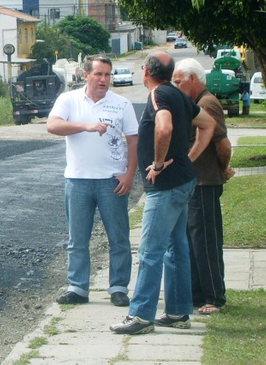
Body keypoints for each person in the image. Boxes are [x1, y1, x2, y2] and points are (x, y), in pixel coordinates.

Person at [110, 51, 215, 335]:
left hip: (166, 187)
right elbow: (208, 124)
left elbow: (164, 127)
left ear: (145, 71)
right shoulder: (178, 93)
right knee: (176, 248)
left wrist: (158, 164)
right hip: (183, 181)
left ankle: (141, 316)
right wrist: (187, 159)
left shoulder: (159, 95)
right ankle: (178, 313)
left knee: (150, 251)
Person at [47, 55, 139, 308]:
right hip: (78, 180)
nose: (103, 79)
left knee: (118, 238)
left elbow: (133, 140)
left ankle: (118, 288)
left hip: (111, 181)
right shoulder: (69, 100)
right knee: (77, 239)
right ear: (85, 75)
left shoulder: (121, 104)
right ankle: (77, 287)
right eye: (98, 74)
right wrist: (86, 127)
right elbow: (52, 125)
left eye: (107, 74)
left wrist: (129, 174)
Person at [173, 58, 235, 315]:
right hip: (194, 182)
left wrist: (222, 168)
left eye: (179, 81)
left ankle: (214, 297)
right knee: (193, 239)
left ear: (193, 79)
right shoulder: (195, 103)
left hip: (205, 182)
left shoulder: (207, 103)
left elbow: (223, 144)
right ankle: (198, 294)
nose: (175, 86)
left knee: (205, 240)